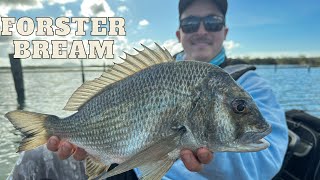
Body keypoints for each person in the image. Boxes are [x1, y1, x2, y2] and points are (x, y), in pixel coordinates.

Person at [11, 0, 288, 179]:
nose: (201, 30)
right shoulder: (158, 73)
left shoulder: (251, 85)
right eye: (191, 23)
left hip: (142, 168)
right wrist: (87, 141)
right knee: (36, 157)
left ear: (224, 32)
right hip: (127, 166)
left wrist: (209, 161)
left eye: (212, 22)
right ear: (180, 33)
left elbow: (266, 161)